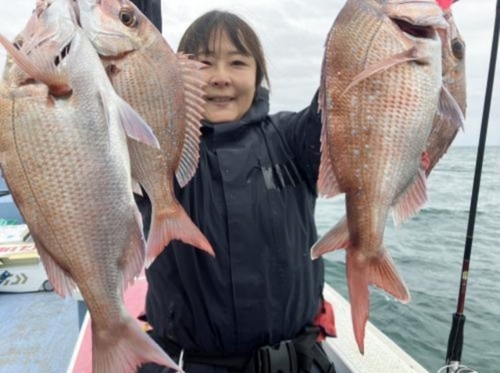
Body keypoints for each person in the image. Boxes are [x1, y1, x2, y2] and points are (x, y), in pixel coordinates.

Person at [135, 8, 336, 373]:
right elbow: (130, 53)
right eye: (203, 64)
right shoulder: (158, 144)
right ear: (174, 75)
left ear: (259, 75)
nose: (220, 78)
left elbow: (350, 89)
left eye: (238, 63)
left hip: (296, 363)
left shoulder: (293, 138)